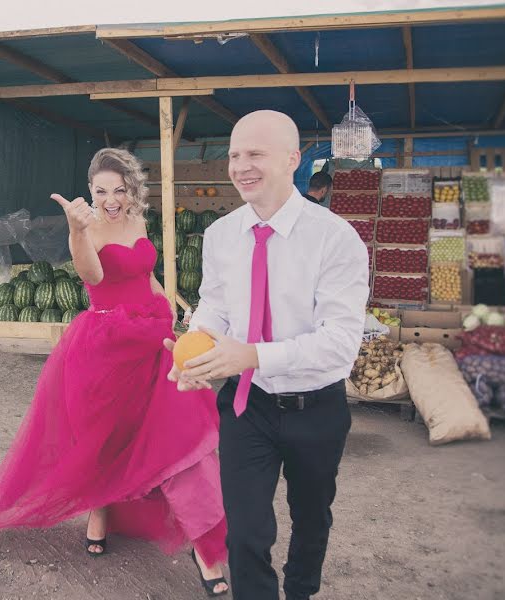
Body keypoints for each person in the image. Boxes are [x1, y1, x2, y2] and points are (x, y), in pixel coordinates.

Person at [0, 148, 229, 597]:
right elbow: (93, 275)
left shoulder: (138, 221)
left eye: (119, 189)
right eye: (101, 191)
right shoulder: (89, 226)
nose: (111, 199)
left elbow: (145, 273)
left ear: (131, 188)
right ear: (90, 192)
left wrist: (176, 303)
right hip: (108, 346)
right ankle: (100, 512)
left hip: (156, 338)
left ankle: (205, 544)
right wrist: (77, 231)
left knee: (179, 433)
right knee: (106, 435)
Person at [166, 110, 369, 600]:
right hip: (246, 407)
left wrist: (253, 355)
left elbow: (341, 341)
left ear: (292, 159)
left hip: (316, 408)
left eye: (255, 153)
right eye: (235, 155)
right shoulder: (220, 235)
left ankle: (300, 592)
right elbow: (215, 303)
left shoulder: (336, 238)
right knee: (247, 531)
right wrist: (196, 351)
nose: (241, 166)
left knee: (311, 518)